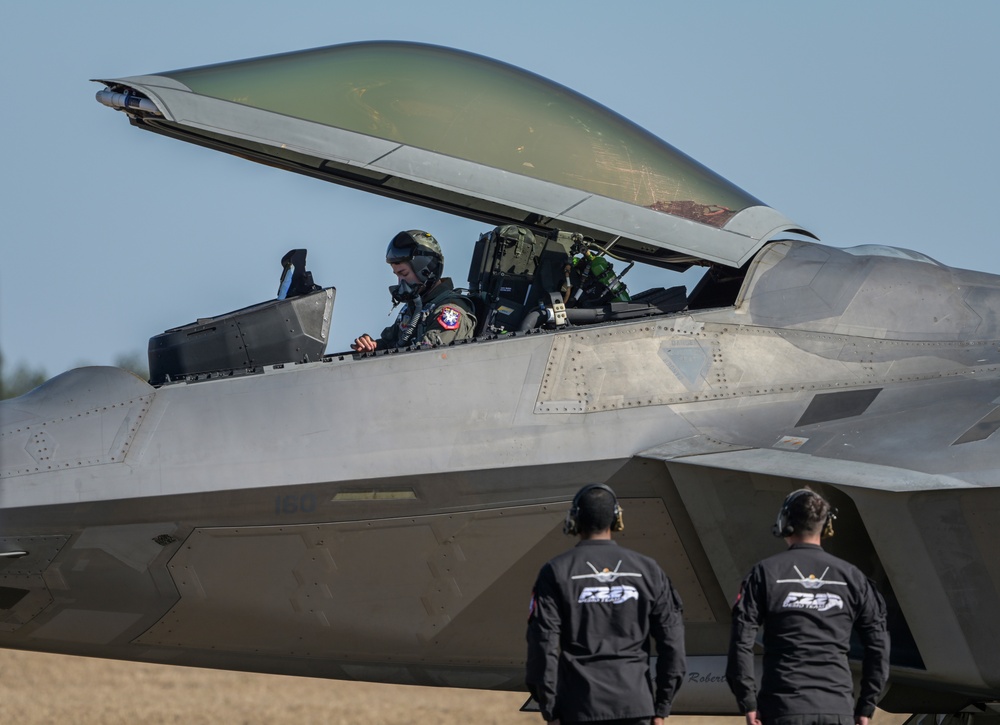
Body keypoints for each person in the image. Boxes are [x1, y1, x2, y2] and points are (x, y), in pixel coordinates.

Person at [726, 488, 890, 725]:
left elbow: (741, 642)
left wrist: (748, 702)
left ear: (785, 523)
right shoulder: (853, 577)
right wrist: (866, 706)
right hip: (838, 710)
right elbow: (878, 647)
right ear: (825, 526)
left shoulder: (764, 573)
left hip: (783, 709)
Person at [526, 483, 686, 725]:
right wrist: (661, 707)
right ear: (617, 518)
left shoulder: (555, 571)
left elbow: (543, 643)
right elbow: (672, 643)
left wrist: (549, 707)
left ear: (575, 519)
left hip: (578, 706)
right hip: (635, 705)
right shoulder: (649, 570)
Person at [351, 230, 476, 352]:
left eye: (403, 273)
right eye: (397, 275)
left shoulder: (450, 313)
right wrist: (372, 346)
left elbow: (428, 361)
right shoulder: (414, 309)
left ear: (425, 271)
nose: (400, 282)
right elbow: (392, 344)